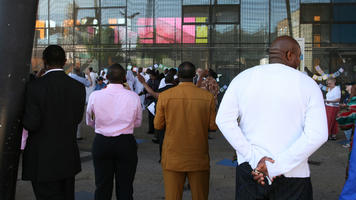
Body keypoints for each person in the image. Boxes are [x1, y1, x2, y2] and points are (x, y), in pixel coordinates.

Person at [216, 36, 328, 199]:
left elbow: (223, 120)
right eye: (299, 57)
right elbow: (318, 135)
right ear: (290, 55)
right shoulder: (307, 84)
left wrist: (254, 158)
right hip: (293, 175)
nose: (299, 61)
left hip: (251, 170)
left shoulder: (243, 78)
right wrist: (276, 166)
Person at [22, 45, 86, 200]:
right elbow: (77, 119)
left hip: (41, 158)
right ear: (65, 61)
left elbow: (31, 123)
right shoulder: (78, 87)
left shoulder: (34, 87)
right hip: (67, 155)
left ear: (44, 61)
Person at [155, 61, 217, 200]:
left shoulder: (165, 96)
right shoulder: (207, 97)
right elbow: (213, 126)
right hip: (198, 156)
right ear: (194, 75)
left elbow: (158, 125)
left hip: (173, 156)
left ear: (178, 75)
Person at [86, 63, 142, 200]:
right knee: (125, 186)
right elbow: (138, 123)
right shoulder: (133, 96)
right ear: (124, 78)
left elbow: (90, 121)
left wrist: (103, 126)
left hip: (102, 142)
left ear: (106, 77)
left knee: (102, 185)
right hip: (125, 143)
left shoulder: (95, 96)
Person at [144, 69, 160, 134]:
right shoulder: (149, 81)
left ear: (154, 76)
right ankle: (151, 129)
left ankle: (156, 129)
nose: (150, 77)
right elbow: (146, 88)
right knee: (150, 116)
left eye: (151, 76)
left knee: (155, 116)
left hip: (156, 100)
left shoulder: (158, 82)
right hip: (150, 100)